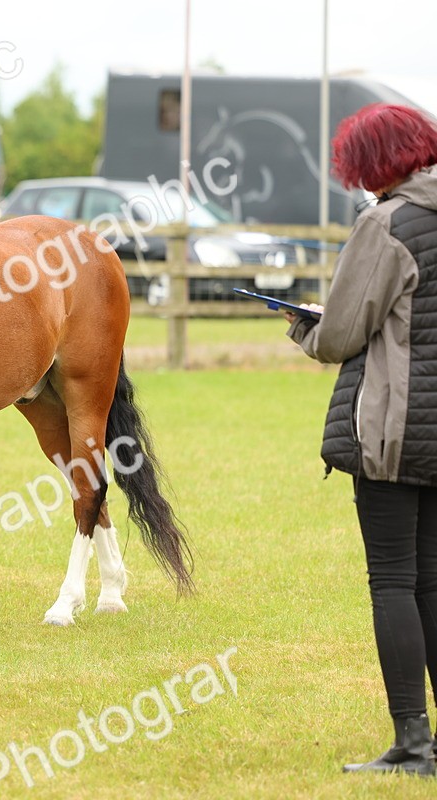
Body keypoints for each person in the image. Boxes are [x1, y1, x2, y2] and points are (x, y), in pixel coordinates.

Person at [286, 103, 437, 777]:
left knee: (394, 580)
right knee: (431, 581)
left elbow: (342, 336)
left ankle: (412, 742)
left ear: (376, 162)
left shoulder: (385, 224)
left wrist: (304, 324)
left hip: (394, 430)